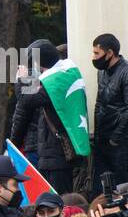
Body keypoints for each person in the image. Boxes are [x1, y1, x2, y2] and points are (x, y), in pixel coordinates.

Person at [11, 40, 78, 194]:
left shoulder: (45, 82)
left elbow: (24, 106)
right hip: (50, 147)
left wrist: (21, 79)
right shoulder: (64, 77)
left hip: (42, 148)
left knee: (46, 197)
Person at [91, 33, 128, 187]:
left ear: (110, 53)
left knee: (126, 189)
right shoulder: (102, 72)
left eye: (96, 53)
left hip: (122, 144)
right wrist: (99, 136)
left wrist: (116, 137)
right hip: (103, 141)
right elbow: (99, 103)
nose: (93, 57)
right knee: (101, 191)